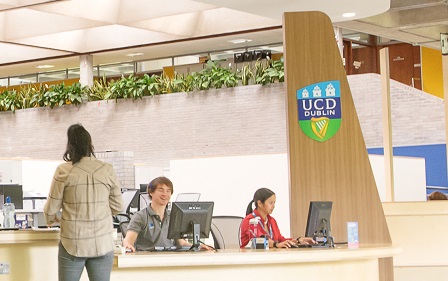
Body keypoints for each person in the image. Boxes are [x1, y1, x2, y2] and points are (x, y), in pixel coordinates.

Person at [44, 124, 124, 281]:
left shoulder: (64, 170)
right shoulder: (107, 169)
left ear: (70, 145)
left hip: (72, 243)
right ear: (90, 144)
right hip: (102, 243)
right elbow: (118, 207)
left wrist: (51, 219)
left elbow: (51, 208)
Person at [122, 176, 211, 252]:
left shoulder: (173, 216)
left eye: (168, 191)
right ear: (151, 192)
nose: (165, 194)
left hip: (170, 259)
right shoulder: (140, 216)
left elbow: (181, 243)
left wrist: (197, 246)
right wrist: (127, 245)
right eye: (161, 190)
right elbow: (128, 241)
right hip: (147, 260)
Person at [240, 187, 316, 248]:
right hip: (252, 259)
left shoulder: (272, 221)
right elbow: (260, 240)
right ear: (260, 203)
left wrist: (298, 240)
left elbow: (281, 240)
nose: (273, 206)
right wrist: (275, 245)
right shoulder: (250, 220)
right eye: (270, 203)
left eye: (274, 203)